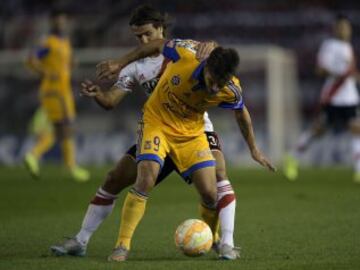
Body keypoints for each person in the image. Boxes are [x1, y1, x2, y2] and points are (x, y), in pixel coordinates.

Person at [51, 5, 244, 260]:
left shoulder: (185, 50)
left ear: (160, 29)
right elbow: (111, 101)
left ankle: (219, 239)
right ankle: (81, 240)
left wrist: (213, 44)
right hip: (158, 130)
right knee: (114, 178)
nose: (143, 40)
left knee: (216, 180)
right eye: (138, 37)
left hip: (194, 130)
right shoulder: (136, 67)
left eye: (147, 34)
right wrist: (99, 95)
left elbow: (218, 58)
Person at [98, 38, 275, 262]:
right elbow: (155, 44)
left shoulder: (231, 89)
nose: (214, 88)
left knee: (211, 194)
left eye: (219, 84)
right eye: (212, 80)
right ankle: (122, 245)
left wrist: (254, 149)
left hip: (191, 133)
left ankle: (213, 239)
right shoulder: (183, 54)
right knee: (146, 178)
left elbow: (242, 114)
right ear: (207, 65)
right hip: (157, 123)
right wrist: (119, 63)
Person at [283, 15, 360, 182]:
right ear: (336, 29)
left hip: (350, 97)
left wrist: (353, 76)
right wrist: (339, 75)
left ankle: (358, 170)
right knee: (319, 129)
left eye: (347, 27)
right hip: (333, 96)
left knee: (356, 128)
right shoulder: (329, 46)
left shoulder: (348, 47)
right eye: (341, 27)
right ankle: (292, 156)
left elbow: (350, 73)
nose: (345, 30)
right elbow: (320, 70)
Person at [23, 9, 89, 182]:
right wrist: (45, 72)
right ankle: (69, 167)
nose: (61, 23)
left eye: (63, 20)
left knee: (61, 130)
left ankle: (35, 156)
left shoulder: (65, 42)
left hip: (63, 90)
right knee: (66, 128)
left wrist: (70, 64)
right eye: (58, 20)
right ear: (52, 22)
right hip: (55, 91)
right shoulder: (49, 42)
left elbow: (62, 65)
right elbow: (31, 59)